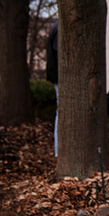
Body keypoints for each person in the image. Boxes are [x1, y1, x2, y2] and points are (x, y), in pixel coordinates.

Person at [46, 21, 59, 157]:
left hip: (57, 75)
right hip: (61, 76)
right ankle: (59, 150)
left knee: (60, 111)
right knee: (62, 112)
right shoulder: (61, 28)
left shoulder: (55, 27)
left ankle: (58, 150)